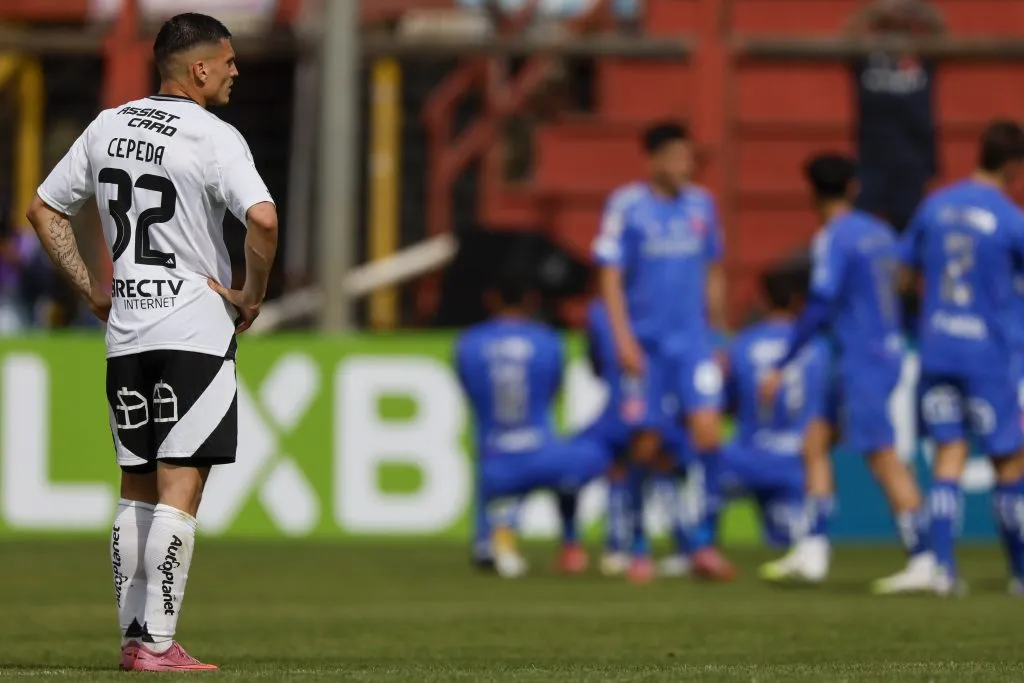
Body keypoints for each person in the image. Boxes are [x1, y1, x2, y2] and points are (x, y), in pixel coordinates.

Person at [26, 13, 277, 671]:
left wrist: (89, 287)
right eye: (227, 61)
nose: (234, 71)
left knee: (135, 484)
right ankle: (157, 642)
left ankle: (136, 637)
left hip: (127, 329)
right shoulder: (214, 137)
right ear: (198, 69)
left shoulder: (109, 125)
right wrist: (251, 294)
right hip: (193, 327)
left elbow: (44, 209)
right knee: (180, 487)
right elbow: (262, 218)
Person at [758, 153, 931, 593]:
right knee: (815, 438)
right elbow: (905, 286)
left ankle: (925, 556)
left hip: (861, 354)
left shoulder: (833, 238)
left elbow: (819, 302)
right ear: (852, 187)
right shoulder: (880, 232)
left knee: (881, 453)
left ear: (812, 193)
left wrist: (782, 362)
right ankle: (813, 549)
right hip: (879, 348)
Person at [591, 121, 733, 582]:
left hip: (692, 343)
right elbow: (610, 276)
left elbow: (713, 271)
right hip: (646, 345)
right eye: (674, 157)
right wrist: (623, 339)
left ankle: (704, 544)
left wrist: (718, 335)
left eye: (688, 158)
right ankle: (635, 542)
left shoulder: (702, 205)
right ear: (651, 159)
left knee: (708, 433)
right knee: (645, 441)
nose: (683, 166)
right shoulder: (626, 206)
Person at [899, 120, 1024, 596]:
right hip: (986, 355)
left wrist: (918, 323)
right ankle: (1019, 573)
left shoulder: (935, 205)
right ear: (1013, 166)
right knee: (1009, 462)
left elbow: (904, 273)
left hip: (936, 348)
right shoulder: (1011, 218)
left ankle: (943, 569)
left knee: (948, 455)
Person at [455, 272, 609, 579]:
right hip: (544, 456)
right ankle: (572, 545)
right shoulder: (548, 341)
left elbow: (470, 393)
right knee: (590, 454)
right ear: (530, 301)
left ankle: (494, 537)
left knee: (500, 483)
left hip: (495, 462)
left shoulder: (468, 343)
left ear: (492, 300)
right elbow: (553, 392)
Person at [717, 264, 830, 556]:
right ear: (799, 301)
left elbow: (725, 402)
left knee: (701, 473)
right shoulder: (818, 347)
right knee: (787, 545)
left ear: (765, 299)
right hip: (794, 467)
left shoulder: (742, 344)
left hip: (743, 459)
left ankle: (696, 544)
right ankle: (811, 544)